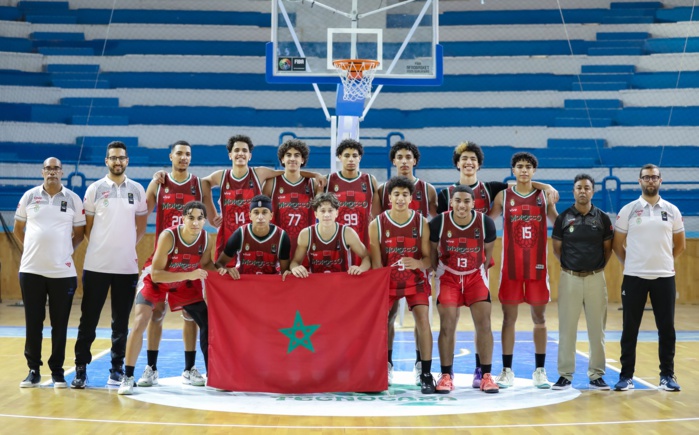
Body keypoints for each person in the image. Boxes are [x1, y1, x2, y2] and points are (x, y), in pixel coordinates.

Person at [437, 141, 558, 388]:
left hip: (480, 265)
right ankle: (448, 372)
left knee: (483, 321)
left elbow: (524, 185)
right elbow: (439, 226)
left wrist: (547, 186)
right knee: (452, 319)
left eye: (473, 159)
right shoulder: (446, 194)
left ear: (479, 164)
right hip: (452, 266)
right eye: (464, 159)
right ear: (457, 163)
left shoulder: (492, 189)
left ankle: (482, 370)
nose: (468, 163)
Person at [138, 140, 216, 388]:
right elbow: (141, 212)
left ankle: (189, 368)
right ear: (170, 155)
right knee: (157, 313)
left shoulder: (198, 184)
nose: (183, 157)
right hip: (163, 257)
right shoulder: (159, 183)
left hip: (189, 259)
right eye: (179, 153)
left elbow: (211, 214)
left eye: (188, 154)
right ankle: (151, 368)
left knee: (189, 315)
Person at [72, 141, 148, 389]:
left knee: (120, 323)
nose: (117, 161)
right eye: (113, 158)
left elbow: (140, 227)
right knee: (88, 320)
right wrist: (101, 247)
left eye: (122, 158)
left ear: (127, 161)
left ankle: (116, 370)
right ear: (106, 161)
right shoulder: (94, 189)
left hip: (126, 267)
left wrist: (126, 247)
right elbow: (87, 228)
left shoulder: (137, 190)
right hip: (96, 266)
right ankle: (81, 370)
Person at [118, 201, 215, 395]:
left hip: (183, 280)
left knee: (204, 321)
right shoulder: (168, 236)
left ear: (205, 220)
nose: (195, 222)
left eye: (200, 218)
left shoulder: (206, 238)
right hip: (157, 279)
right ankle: (130, 376)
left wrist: (225, 270)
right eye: (191, 218)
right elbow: (156, 274)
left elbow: (206, 264)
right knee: (142, 320)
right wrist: (189, 275)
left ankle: (198, 371)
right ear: (183, 218)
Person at [612, 164, 685, 392]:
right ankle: (626, 377)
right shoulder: (629, 210)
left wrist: (663, 261)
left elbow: (680, 245)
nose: (650, 181)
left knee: (666, 329)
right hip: (634, 278)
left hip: (664, 277)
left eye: (654, 177)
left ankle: (667, 376)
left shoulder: (672, 210)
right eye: (646, 177)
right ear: (640, 181)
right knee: (629, 328)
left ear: (661, 180)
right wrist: (633, 264)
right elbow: (617, 245)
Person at [197, 135, 323, 267]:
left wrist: (315, 175)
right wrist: (212, 216)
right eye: (237, 150)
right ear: (230, 155)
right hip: (228, 239)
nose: (240, 153)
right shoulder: (221, 176)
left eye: (244, 151)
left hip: (255, 239)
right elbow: (203, 183)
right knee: (224, 277)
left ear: (250, 156)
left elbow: (288, 171)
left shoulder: (259, 173)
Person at [489, 152, 558, 389]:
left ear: (534, 171)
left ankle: (540, 370)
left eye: (528, 167)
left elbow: (556, 223)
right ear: (513, 170)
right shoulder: (503, 196)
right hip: (511, 268)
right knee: (509, 319)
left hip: (538, 268)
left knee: (539, 319)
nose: (524, 170)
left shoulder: (543, 196)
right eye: (519, 166)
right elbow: (488, 222)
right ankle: (507, 370)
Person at [14, 158, 85, 388]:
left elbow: (79, 233)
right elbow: (18, 229)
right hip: (31, 270)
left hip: (62, 273)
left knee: (60, 324)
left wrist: (65, 252)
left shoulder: (73, 199)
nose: (52, 172)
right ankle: (33, 370)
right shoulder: (29, 196)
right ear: (42, 171)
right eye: (48, 168)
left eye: (56, 168)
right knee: (33, 323)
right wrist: (34, 250)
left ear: (62, 172)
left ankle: (57, 372)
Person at [376, 140, 437, 386]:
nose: (403, 161)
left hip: (416, 263)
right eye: (399, 157)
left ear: (414, 161)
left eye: (408, 157)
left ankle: (422, 367)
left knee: (422, 318)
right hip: (390, 265)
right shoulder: (381, 191)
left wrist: (426, 263)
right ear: (393, 161)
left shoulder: (428, 190)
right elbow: (378, 225)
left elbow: (439, 221)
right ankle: (385, 365)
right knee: (387, 317)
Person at [429, 185, 499, 394]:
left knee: (484, 324)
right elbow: (432, 253)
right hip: (448, 276)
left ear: (473, 203)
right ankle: (446, 375)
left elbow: (488, 253)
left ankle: (486, 375)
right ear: (451, 203)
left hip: (475, 276)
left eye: (466, 201)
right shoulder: (439, 223)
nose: (462, 205)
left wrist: (477, 272)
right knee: (447, 325)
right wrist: (440, 271)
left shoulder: (485, 223)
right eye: (457, 200)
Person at [551, 174, 613, 390]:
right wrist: (570, 267)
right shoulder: (564, 217)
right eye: (579, 187)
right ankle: (565, 375)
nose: (583, 191)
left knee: (597, 329)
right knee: (567, 329)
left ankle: (596, 374)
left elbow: (608, 249)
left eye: (587, 187)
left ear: (593, 191)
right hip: (570, 279)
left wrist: (595, 268)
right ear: (573, 191)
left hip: (596, 278)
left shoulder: (603, 218)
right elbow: (557, 249)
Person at [285, 192, 371, 278]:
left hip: (342, 284)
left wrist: (361, 268)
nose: (326, 215)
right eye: (322, 211)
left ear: (336, 213)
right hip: (317, 285)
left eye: (330, 210)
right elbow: (295, 262)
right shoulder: (306, 235)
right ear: (316, 214)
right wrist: (295, 268)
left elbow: (366, 256)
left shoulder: (347, 233)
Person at [262, 139, 322, 260]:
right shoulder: (271, 183)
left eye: (297, 155)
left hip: (306, 246)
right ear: (282, 159)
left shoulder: (314, 184)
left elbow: (320, 212)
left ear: (303, 159)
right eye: (288, 155)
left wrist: (315, 176)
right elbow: (262, 215)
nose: (292, 158)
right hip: (278, 244)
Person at [325, 138, 381, 265]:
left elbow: (376, 217)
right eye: (347, 155)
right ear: (339, 157)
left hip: (363, 236)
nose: (351, 159)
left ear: (360, 158)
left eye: (355, 155)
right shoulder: (328, 181)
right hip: (336, 238)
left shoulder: (370, 180)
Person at [215, 194, 291, 277]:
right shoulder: (240, 234)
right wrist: (227, 270)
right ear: (250, 215)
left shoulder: (281, 236)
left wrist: (288, 272)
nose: (260, 217)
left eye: (265, 212)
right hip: (244, 283)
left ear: (271, 216)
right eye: (256, 212)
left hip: (270, 285)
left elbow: (285, 271)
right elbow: (219, 264)